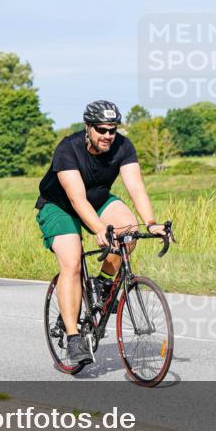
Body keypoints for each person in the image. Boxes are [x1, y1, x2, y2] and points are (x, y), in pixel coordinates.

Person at [36, 100, 166, 366]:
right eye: (102, 130)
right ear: (88, 127)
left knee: (128, 231)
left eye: (112, 129)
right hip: (59, 206)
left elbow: (136, 187)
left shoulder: (123, 146)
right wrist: (97, 229)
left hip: (98, 199)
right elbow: (76, 199)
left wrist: (151, 223)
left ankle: (103, 283)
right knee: (72, 260)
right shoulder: (68, 149)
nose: (108, 135)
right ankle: (73, 338)